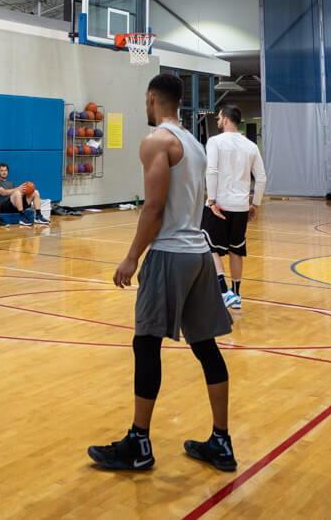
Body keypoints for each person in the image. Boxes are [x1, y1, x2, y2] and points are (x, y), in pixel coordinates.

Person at [88, 73, 236, 474]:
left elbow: (153, 207)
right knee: (205, 347)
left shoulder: (157, 141)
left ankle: (139, 443)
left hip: (170, 253)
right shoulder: (193, 142)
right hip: (201, 254)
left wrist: (132, 257)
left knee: (146, 344)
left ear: (152, 98)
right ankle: (221, 441)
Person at [202, 104, 267, 310]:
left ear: (226, 120)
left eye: (219, 117)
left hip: (219, 204)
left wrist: (211, 200)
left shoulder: (215, 142)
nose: (218, 121)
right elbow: (262, 178)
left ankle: (223, 291)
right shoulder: (251, 146)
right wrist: (255, 203)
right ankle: (236, 295)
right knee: (236, 250)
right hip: (240, 206)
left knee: (208, 245)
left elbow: (211, 170)